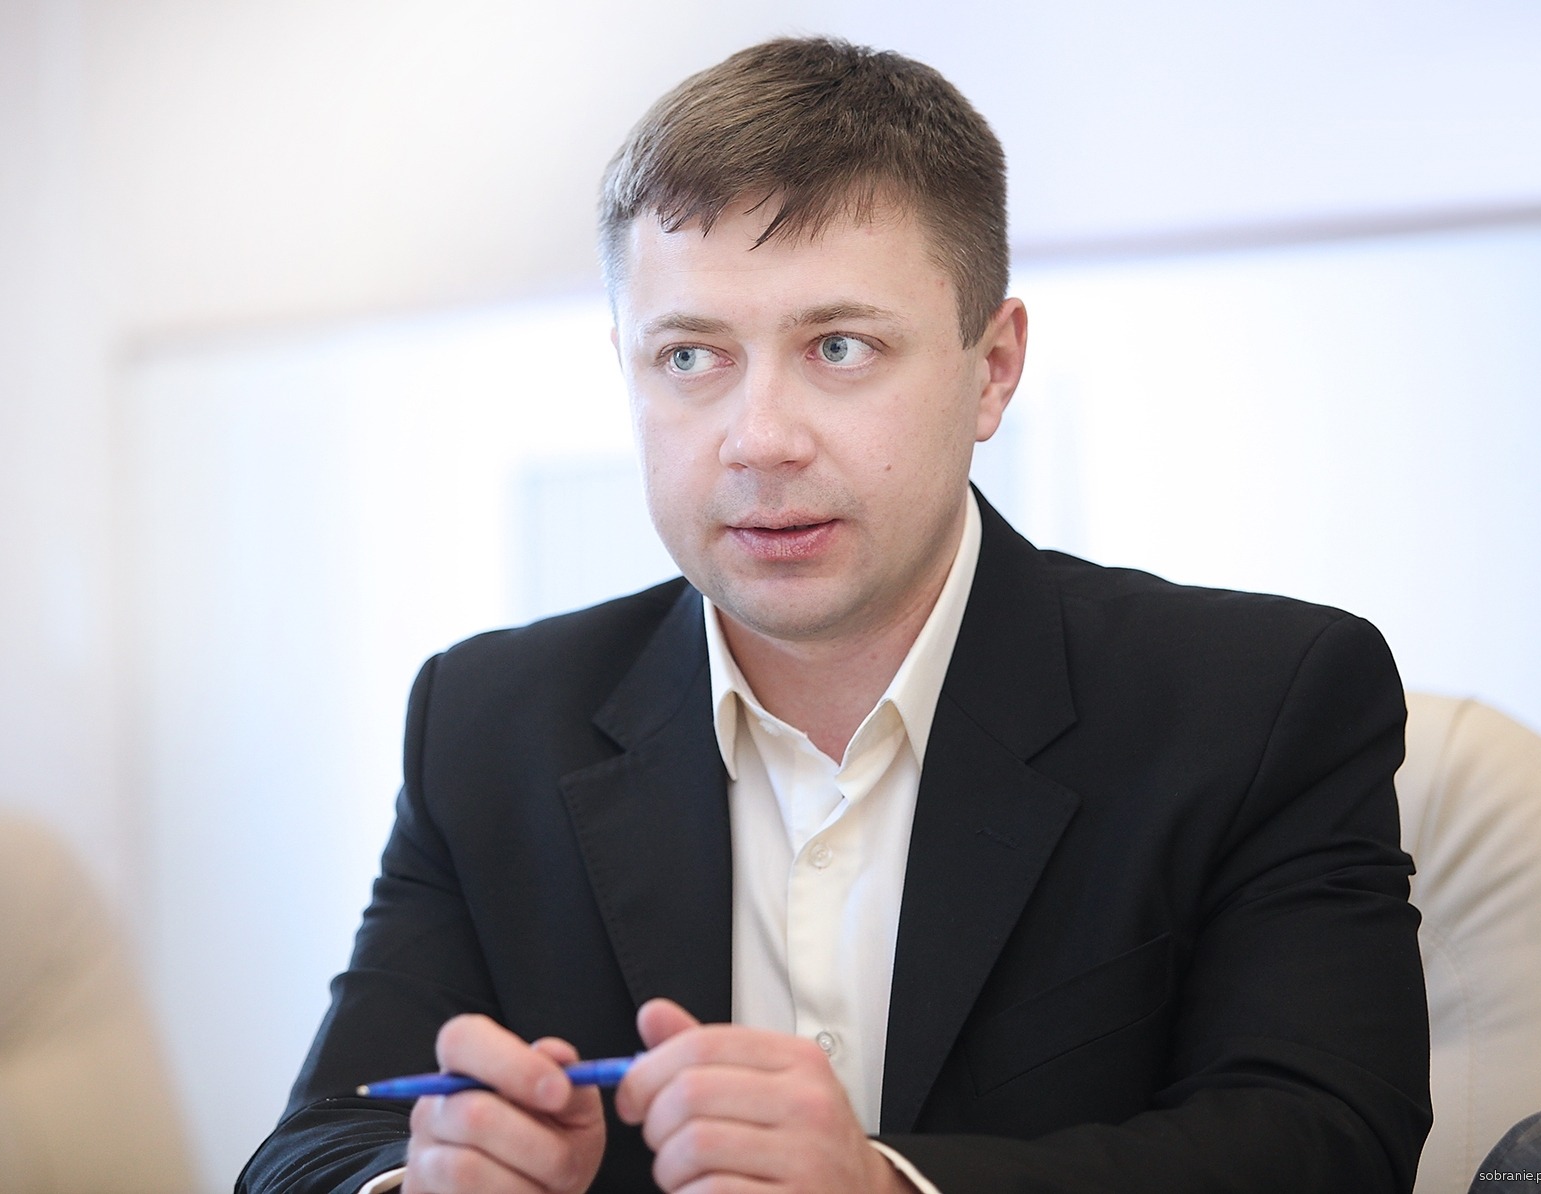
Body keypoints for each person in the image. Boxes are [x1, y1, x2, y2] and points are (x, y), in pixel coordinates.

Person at [238, 36, 1430, 1194]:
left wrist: (888, 1187)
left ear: (992, 368)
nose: (759, 439)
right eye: (690, 358)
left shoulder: (1261, 700)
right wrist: (422, 1181)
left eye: (840, 347)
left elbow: (1327, 1142)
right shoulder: (487, 722)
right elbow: (311, 1150)